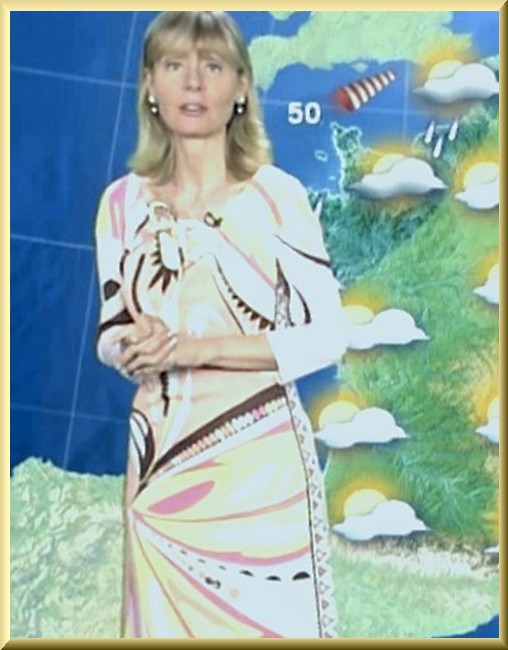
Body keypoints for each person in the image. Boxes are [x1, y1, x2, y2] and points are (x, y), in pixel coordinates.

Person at [94, 11, 348, 638]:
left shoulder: (278, 197)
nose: (192, 83)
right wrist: (129, 347)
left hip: (259, 475)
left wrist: (194, 349)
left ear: (241, 87)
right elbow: (111, 329)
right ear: (149, 85)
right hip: (160, 474)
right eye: (174, 65)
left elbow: (326, 337)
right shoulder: (121, 204)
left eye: (211, 66)